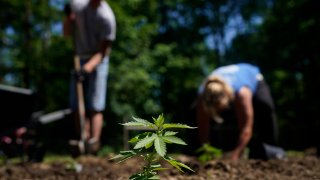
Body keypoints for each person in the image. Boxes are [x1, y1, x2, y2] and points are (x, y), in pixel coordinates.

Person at [196, 63, 282, 160]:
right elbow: (203, 126)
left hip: (253, 78)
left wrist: (236, 155)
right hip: (229, 83)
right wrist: (206, 151)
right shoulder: (202, 96)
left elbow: (246, 127)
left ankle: (271, 151)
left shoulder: (242, 93)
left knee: (265, 108)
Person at [63, 0, 116, 154]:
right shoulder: (76, 5)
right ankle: (83, 139)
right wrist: (68, 18)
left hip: (99, 59)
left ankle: (93, 143)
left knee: (96, 104)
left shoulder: (107, 18)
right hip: (79, 57)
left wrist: (86, 69)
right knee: (76, 104)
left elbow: (103, 52)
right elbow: (66, 33)